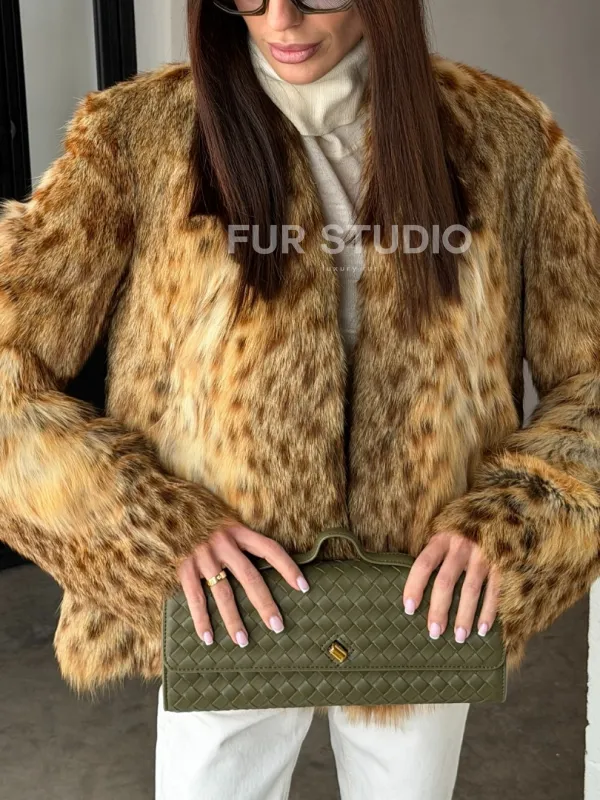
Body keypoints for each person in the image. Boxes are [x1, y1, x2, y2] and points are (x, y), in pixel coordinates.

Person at [0, 0, 598, 798]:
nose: (279, 19)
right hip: (222, 593)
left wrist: (515, 523)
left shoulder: (504, 139)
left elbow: (590, 376)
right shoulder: (139, 135)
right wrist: (148, 531)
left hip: (422, 590)